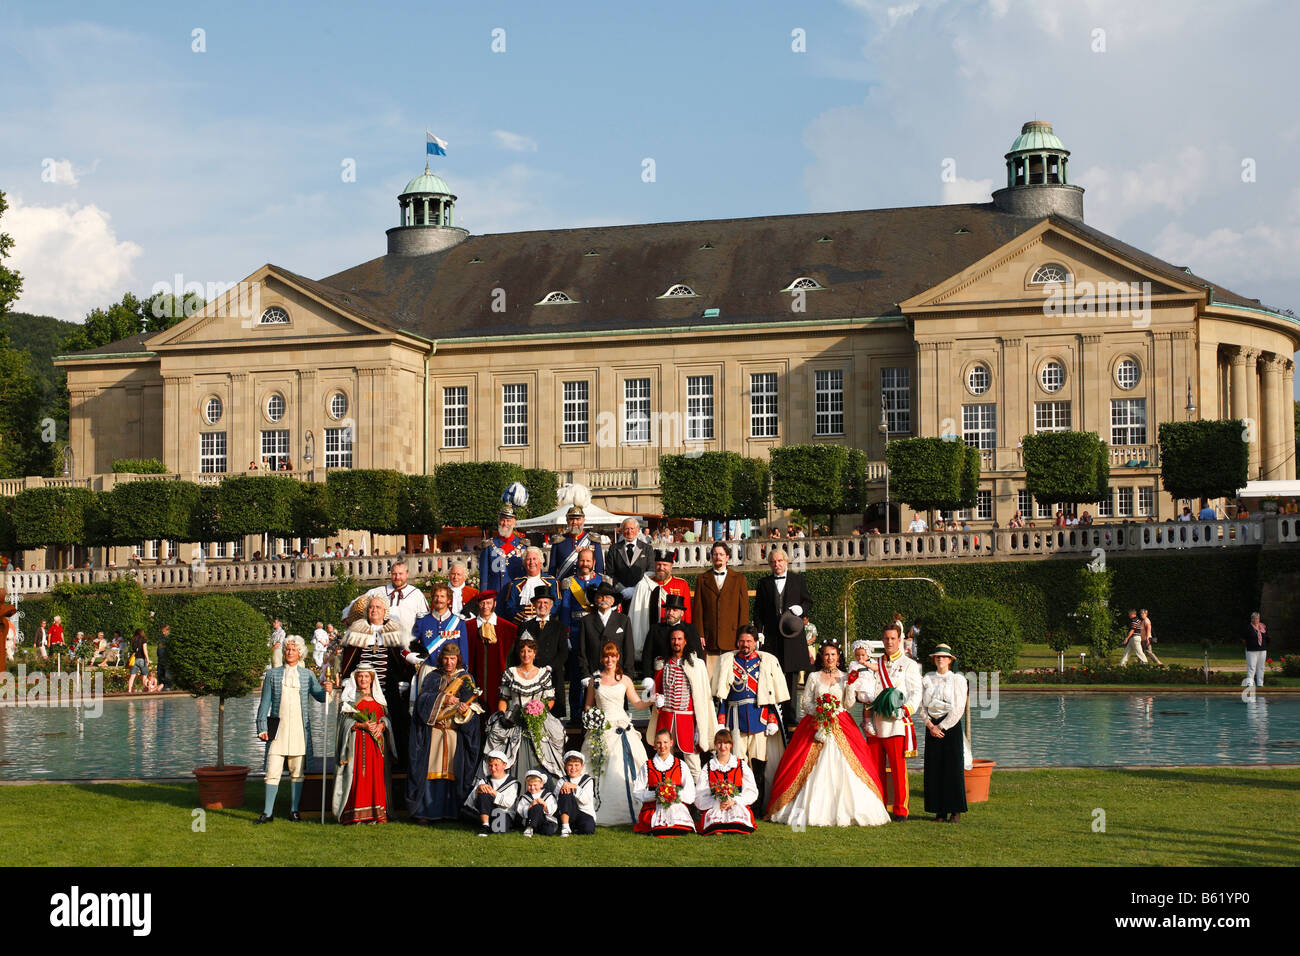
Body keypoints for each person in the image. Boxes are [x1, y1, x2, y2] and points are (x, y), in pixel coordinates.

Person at [767, 640, 890, 828]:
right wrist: (820, 710)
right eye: (826, 654)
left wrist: (850, 686)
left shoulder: (847, 676)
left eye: (833, 654)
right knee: (802, 762)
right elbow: (805, 702)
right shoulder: (814, 677)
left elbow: (849, 704)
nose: (830, 658)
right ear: (822, 657)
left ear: (838, 657)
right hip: (817, 722)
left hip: (841, 723)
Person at [849, 623, 922, 820]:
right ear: (883, 640)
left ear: (899, 640)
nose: (889, 642)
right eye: (886, 638)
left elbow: (916, 694)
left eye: (893, 638)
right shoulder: (876, 663)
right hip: (875, 723)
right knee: (875, 769)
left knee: (898, 771)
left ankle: (900, 810)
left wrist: (905, 711)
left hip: (896, 724)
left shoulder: (909, 665)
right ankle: (879, 806)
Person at [255, 635, 332, 823]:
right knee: (272, 771)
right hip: (277, 731)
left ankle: (294, 810)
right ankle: (268, 812)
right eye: (287, 649)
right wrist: (261, 726)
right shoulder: (272, 675)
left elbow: (320, 697)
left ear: (300, 653)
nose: (290, 652)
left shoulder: (308, 675)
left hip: (299, 730)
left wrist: (328, 689)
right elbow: (264, 703)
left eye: (294, 649)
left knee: (297, 772)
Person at [712, 624, 787, 813]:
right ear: (737, 642)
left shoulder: (765, 662)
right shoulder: (729, 661)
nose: (745, 644)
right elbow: (723, 694)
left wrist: (772, 719)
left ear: (755, 642)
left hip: (758, 719)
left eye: (749, 641)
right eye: (742, 641)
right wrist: (721, 718)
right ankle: (736, 805)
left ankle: (757, 806)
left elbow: (769, 695)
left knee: (758, 764)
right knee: (737, 764)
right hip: (735, 719)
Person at [408, 644, 484, 823]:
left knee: (452, 771)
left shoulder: (466, 679)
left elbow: (473, 707)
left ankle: (453, 811)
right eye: (446, 658)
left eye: (453, 659)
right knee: (430, 770)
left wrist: (466, 711)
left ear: (458, 659)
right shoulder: (432, 677)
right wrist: (443, 699)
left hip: (453, 733)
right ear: (441, 659)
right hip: (433, 733)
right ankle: (426, 811)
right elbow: (422, 701)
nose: (449, 663)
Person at [582, 642, 653, 826]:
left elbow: (637, 704)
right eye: (606, 656)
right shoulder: (594, 680)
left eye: (613, 656)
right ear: (601, 658)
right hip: (601, 729)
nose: (609, 660)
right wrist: (592, 718)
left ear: (618, 657)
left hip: (622, 726)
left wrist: (651, 700)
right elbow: (588, 705)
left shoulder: (625, 680)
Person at [483, 636, 566, 781]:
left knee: (546, 749)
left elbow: (550, 700)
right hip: (514, 718)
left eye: (529, 651)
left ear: (534, 653)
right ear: (519, 653)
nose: (526, 654)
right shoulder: (510, 673)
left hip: (538, 718)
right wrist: (503, 715)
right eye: (522, 651)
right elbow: (504, 698)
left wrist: (539, 710)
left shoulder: (543, 674)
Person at [645, 626, 716, 778]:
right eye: (673, 639)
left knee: (692, 761)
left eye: (679, 639)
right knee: (663, 758)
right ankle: (664, 793)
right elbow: (656, 687)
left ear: (685, 642)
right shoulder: (661, 663)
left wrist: (699, 725)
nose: (676, 642)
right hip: (666, 717)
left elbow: (702, 695)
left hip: (687, 718)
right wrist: (655, 698)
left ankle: (698, 799)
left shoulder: (696, 665)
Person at [754, 549, 813, 727]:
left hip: (792, 636)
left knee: (792, 679)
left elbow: (808, 601)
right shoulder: (763, 583)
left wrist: (801, 610)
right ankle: (772, 714)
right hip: (771, 638)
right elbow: (758, 610)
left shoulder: (798, 580)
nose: (777, 564)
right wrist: (758, 632)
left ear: (786, 561)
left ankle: (790, 715)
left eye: (780, 561)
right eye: (773, 562)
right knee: (771, 675)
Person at [332, 663, 394, 824]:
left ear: (372, 679)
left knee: (376, 778)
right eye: (360, 676)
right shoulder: (349, 700)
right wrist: (361, 725)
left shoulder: (379, 700)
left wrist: (382, 725)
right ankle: (355, 814)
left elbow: (386, 718)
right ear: (356, 678)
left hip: (376, 748)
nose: (363, 679)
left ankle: (376, 814)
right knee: (358, 777)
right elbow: (342, 723)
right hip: (356, 745)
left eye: (367, 676)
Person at [918, 644, 968, 823]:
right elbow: (921, 705)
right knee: (935, 769)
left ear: (950, 660)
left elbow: (959, 707)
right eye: (937, 657)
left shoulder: (957, 680)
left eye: (944, 657)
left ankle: (955, 810)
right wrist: (930, 725)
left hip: (950, 727)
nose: (940, 659)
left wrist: (943, 727)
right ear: (934, 659)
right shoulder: (927, 678)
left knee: (952, 768)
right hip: (932, 725)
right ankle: (939, 811)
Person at [559, 546, 606, 720]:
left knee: (599, 673)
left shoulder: (602, 580)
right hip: (576, 634)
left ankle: (599, 713)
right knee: (577, 677)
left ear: (594, 562)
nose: (584, 564)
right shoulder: (569, 583)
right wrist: (566, 634)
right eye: (582, 560)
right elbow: (564, 610)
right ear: (577, 562)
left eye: (588, 561)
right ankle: (577, 715)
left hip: (597, 634)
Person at [693, 541, 749, 683]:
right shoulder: (702, 579)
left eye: (721, 554)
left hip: (732, 637)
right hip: (710, 637)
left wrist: (742, 635)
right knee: (710, 681)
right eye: (715, 554)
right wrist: (699, 633)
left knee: (730, 680)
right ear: (711, 556)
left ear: (727, 557)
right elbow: (698, 609)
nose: (718, 557)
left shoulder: (739, 579)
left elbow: (743, 610)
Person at [512, 588, 568, 721]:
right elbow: (518, 651)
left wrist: (550, 667)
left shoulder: (559, 626)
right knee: (530, 714)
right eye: (539, 603)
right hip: (531, 676)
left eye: (546, 603)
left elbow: (563, 652)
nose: (542, 606)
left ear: (551, 605)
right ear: (534, 604)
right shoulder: (525, 626)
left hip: (552, 675)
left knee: (553, 716)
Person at [628, 549, 692, 665]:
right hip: (652, 633)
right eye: (658, 564)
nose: (661, 567)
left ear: (671, 566)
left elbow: (687, 615)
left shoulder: (681, 584)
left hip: (675, 634)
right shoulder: (645, 585)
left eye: (665, 565)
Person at [633, 728, 698, 837]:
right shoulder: (647, 766)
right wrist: (656, 795)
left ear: (671, 743)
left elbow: (690, 793)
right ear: (654, 744)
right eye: (658, 743)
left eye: (665, 742)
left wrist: (672, 794)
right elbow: (637, 792)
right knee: (659, 830)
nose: (662, 746)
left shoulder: (681, 765)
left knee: (680, 828)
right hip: (654, 807)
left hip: (676, 806)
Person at [694, 729, 759, 835]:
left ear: (731, 745)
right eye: (719, 743)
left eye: (726, 743)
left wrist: (734, 801)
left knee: (738, 824)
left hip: (735, 804)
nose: (722, 747)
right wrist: (716, 803)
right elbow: (699, 795)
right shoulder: (709, 767)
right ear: (715, 745)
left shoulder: (740, 765)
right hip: (716, 805)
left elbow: (752, 791)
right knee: (714, 826)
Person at [466, 590, 517, 711]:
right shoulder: (468, 627)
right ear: (478, 605)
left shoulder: (509, 628)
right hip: (474, 679)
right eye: (482, 603)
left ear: (495, 604)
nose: (485, 607)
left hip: (500, 680)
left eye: (488, 603)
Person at [578, 582, 635, 686]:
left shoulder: (623, 620)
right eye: (600, 597)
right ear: (595, 600)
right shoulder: (586, 621)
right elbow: (582, 650)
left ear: (613, 601)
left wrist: (628, 675)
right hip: (594, 675)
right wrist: (585, 674)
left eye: (607, 597)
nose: (604, 599)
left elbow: (629, 649)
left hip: (617, 675)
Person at [641, 593, 704, 678]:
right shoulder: (655, 629)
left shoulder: (691, 629)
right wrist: (648, 678)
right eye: (668, 609)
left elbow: (699, 656)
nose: (670, 612)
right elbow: (647, 656)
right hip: (660, 677)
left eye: (674, 610)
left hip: (686, 678)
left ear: (682, 613)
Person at [464, 750, 520, 836]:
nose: (493, 768)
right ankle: (485, 825)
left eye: (496, 765)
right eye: (490, 765)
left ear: (504, 765)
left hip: (503, 813)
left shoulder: (513, 783)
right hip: (486, 812)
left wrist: (493, 792)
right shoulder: (484, 780)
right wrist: (477, 790)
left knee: (499, 830)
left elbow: (509, 803)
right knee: (483, 792)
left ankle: (489, 824)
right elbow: (468, 803)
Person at [481, 502, 529, 599]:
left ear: (514, 523)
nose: (505, 523)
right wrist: (484, 597)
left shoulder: (523, 546)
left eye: (508, 520)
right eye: (503, 520)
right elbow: (484, 576)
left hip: (517, 595)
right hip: (495, 595)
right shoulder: (489, 546)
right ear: (499, 521)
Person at [502, 548, 558, 627]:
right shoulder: (515, 583)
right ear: (524, 563)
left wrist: (544, 617)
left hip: (546, 625)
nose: (532, 562)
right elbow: (510, 607)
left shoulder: (552, 582)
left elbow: (557, 604)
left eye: (534, 559)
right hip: (522, 626)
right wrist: (521, 618)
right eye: (528, 559)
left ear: (541, 561)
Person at [548, 503, 606, 579]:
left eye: (578, 519)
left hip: (588, 586)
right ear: (567, 520)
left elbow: (599, 567)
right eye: (571, 519)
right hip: (564, 586)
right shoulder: (559, 541)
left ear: (583, 520)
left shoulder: (592, 540)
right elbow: (552, 568)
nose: (574, 522)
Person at [606, 517, 652, 607]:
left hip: (641, 596)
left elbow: (650, 571)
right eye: (626, 528)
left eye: (632, 528)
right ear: (622, 530)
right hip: (620, 596)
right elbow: (610, 573)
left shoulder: (647, 549)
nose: (629, 531)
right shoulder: (614, 549)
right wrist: (621, 589)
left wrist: (636, 589)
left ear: (638, 530)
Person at [554, 751, 597, 836]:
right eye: (570, 765)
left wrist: (574, 786)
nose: (573, 768)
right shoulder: (562, 781)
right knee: (565, 791)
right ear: (565, 767)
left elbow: (586, 801)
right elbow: (556, 800)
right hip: (567, 813)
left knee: (588, 830)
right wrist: (565, 791)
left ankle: (573, 829)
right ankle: (565, 827)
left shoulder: (588, 780)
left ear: (582, 767)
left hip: (584, 813)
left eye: (576, 765)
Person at [514, 770, 559, 837]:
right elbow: (520, 810)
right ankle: (530, 827)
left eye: (535, 785)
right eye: (530, 785)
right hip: (529, 820)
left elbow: (553, 808)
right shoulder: (525, 797)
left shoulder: (548, 795)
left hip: (544, 820)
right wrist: (530, 805)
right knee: (536, 807)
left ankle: (535, 828)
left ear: (541, 784)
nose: (532, 788)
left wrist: (544, 804)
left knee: (548, 831)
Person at [1245, 612, 1268, 687]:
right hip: (1251, 650)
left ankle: (1260, 683)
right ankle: (1250, 683)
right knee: (1251, 667)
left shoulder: (1262, 627)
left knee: (1261, 667)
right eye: (1254, 618)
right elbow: (1244, 638)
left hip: (1262, 649)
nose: (1256, 620)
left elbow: (1266, 637)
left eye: (1257, 618)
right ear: (1251, 619)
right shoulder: (1248, 627)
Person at [126, 628, 150, 693]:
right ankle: (146, 689)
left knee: (132, 676)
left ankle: (129, 690)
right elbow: (144, 650)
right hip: (141, 659)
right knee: (144, 675)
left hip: (134, 660)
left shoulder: (133, 640)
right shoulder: (143, 640)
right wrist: (147, 659)